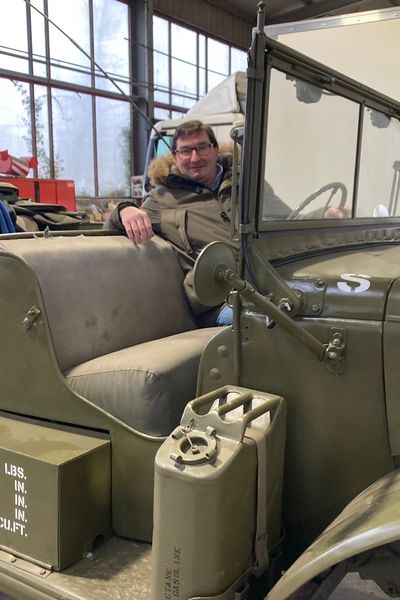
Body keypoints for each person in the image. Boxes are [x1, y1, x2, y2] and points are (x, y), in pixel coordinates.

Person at [106, 119, 239, 326]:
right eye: (185, 151)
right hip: (222, 300)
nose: (195, 158)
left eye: (202, 148)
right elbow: (109, 232)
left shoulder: (245, 183)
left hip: (268, 283)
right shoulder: (161, 200)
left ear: (215, 149)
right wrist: (124, 210)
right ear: (175, 157)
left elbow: (279, 216)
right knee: (258, 323)